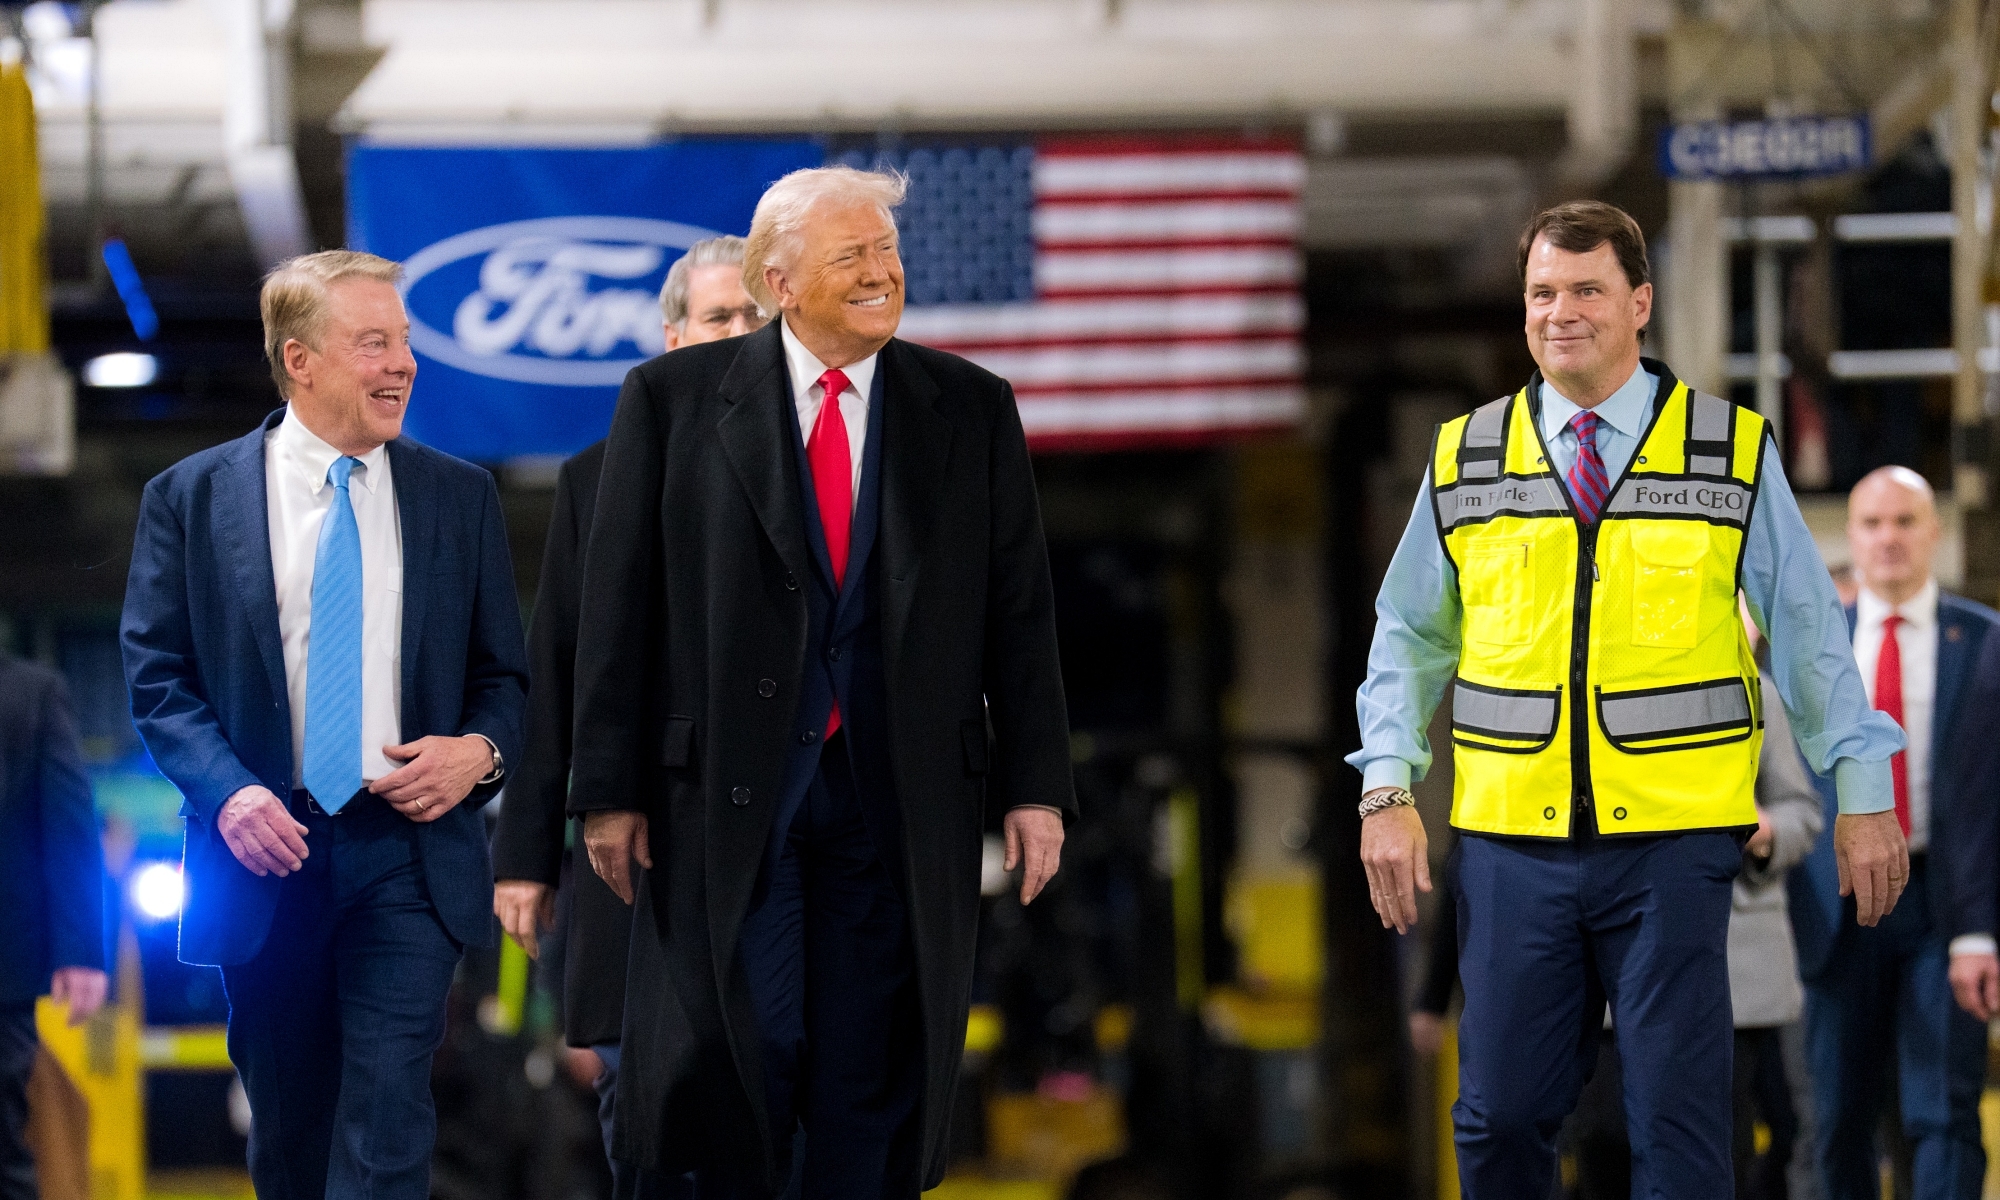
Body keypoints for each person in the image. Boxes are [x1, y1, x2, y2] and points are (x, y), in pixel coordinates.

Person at [1352, 200, 1905, 1198]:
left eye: (1585, 290)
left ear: (1638, 302)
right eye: (1540, 293)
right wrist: (1386, 792)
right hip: (1512, 850)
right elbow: (1406, 640)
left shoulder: (1724, 450)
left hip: (1670, 850)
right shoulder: (1464, 455)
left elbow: (1808, 631)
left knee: (1678, 1128)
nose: (1558, 312)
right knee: (1499, 1120)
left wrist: (1861, 792)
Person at [569, 165, 1075, 1198]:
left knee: (872, 1066)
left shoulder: (970, 407)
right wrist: (606, 791)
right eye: (852, 256)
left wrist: (1036, 786)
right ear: (779, 279)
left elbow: (1017, 614)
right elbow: (619, 613)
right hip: (724, 797)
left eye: (887, 253)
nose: (881, 273)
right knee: (753, 1051)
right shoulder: (668, 403)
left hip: (900, 797)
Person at [119, 250, 529, 1200]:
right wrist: (228, 793)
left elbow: (503, 678)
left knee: (388, 1116)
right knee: (292, 1131)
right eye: (374, 344)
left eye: (406, 343)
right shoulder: (188, 499)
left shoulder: (458, 497)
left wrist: (480, 753)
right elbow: (158, 677)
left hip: (409, 852)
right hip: (262, 853)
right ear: (300, 360)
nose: (403, 365)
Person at [491, 234, 764, 1200]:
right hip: (634, 850)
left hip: (776, 847)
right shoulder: (597, 476)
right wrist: (525, 854)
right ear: (671, 335)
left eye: (756, 316)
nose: (740, 332)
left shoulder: (823, 470)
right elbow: (559, 671)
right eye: (720, 316)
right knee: (642, 1119)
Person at [1789, 465, 2000, 1200]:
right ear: (1849, 537)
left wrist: (1983, 931)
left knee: (1941, 1112)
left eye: (1905, 521)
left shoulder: (1985, 641)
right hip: (1834, 909)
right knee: (1838, 1119)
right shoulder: (1811, 652)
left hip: (1943, 909)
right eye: (1872, 523)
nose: (1888, 539)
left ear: (1934, 534)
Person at [0, 657, 107, 1200]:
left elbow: (69, 823)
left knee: (5, 1148)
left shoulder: (31, 692)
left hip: (4, 973)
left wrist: (82, 950)